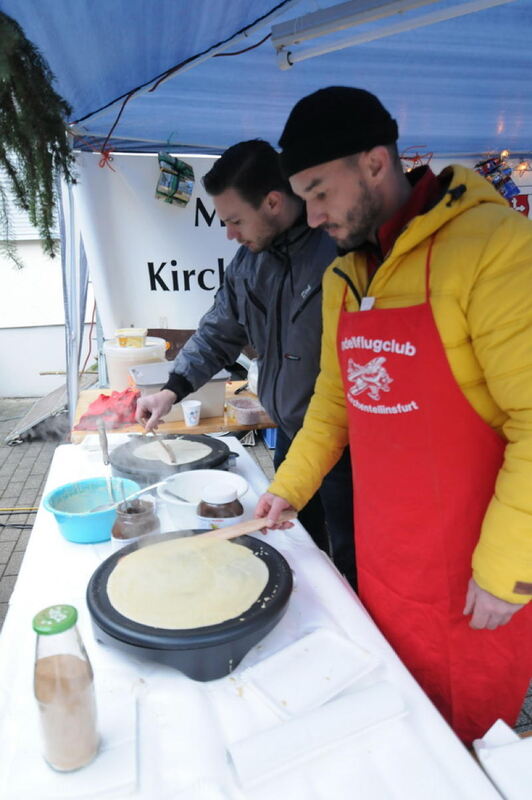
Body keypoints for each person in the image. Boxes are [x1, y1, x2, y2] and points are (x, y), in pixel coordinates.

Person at [255, 87, 532, 744]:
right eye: (303, 198)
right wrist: (285, 491)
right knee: (395, 734)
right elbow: (332, 407)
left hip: (475, 580)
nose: (313, 215)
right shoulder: (346, 277)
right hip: (385, 569)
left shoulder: (495, 247)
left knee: (463, 751)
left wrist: (507, 569)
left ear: (376, 162)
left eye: (320, 191)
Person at [136, 139, 356, 587]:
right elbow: (219, 331)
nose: (230, 234)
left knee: (353, 555)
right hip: (292, 433)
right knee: (295, 541)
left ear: (273, 202)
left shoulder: (339, 252)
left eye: (235, 220)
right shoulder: (247, 264)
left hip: (350, 446)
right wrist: (171, 389)